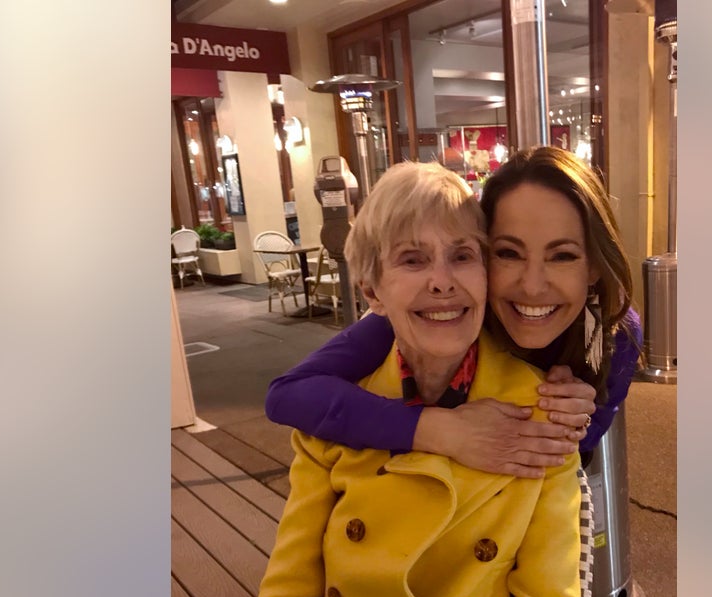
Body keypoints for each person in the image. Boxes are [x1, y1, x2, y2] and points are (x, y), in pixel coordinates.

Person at [253, 161, 581, 597]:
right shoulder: (328, 419)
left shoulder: (542, 416)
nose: (442, 282)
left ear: (486, 276)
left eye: (463, 255)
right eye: (412, 259)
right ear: (371, 291)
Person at [266, 146, 640, 477]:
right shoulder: (452, 312)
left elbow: (575, 454)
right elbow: (289, 394)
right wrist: (437, 429)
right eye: (508, 253)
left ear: (593, 266)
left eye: (562, 256)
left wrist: (571, 420)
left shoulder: (617, 336)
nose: (532, 285)